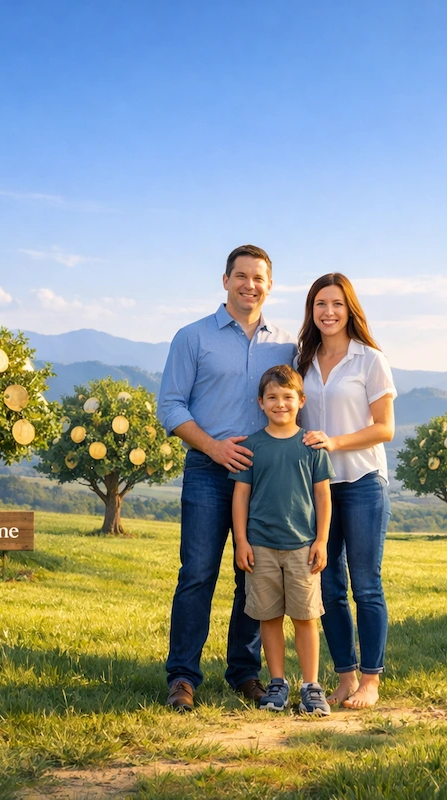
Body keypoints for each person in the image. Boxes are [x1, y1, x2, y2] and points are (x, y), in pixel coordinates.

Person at [158, 244, 296, 712]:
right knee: (197, 573)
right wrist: (213, 447)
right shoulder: (192, 337)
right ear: (225, 281)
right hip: (207, 470)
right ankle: (182, 677)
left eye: (258, 278)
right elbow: (170, 406)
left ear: (269, 285)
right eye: (241, 276)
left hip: (265, 479)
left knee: (253, 574)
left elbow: (295, 403)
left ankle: (244, 673)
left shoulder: (287, 345)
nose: (249, 285)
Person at [297, 273, 396, 709]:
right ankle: (345, 677)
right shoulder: (302, 359)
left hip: (361, 482)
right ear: (311, 310)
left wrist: (334, 442)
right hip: (317, 488)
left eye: (337, 303)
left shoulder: (370, 360)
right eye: (321, 304)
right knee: (329, 586)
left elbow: (385, 428)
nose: (329, 312)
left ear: (349, 308)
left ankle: (370, 681)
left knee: (366, 585)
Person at [231, 365, 335, 715]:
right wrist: (241, 542)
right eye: (272, 397)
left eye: (287, 397)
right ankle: (277, 683)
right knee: (269, 617)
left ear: (301, 401)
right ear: (260, 402)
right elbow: (241, 497)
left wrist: (321, 541)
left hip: (303, 547)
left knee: (306, 617)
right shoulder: (251, 446)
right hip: (260, 547)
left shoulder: (312, 446)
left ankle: (311, 686)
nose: (280, 404)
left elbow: (323, 496)